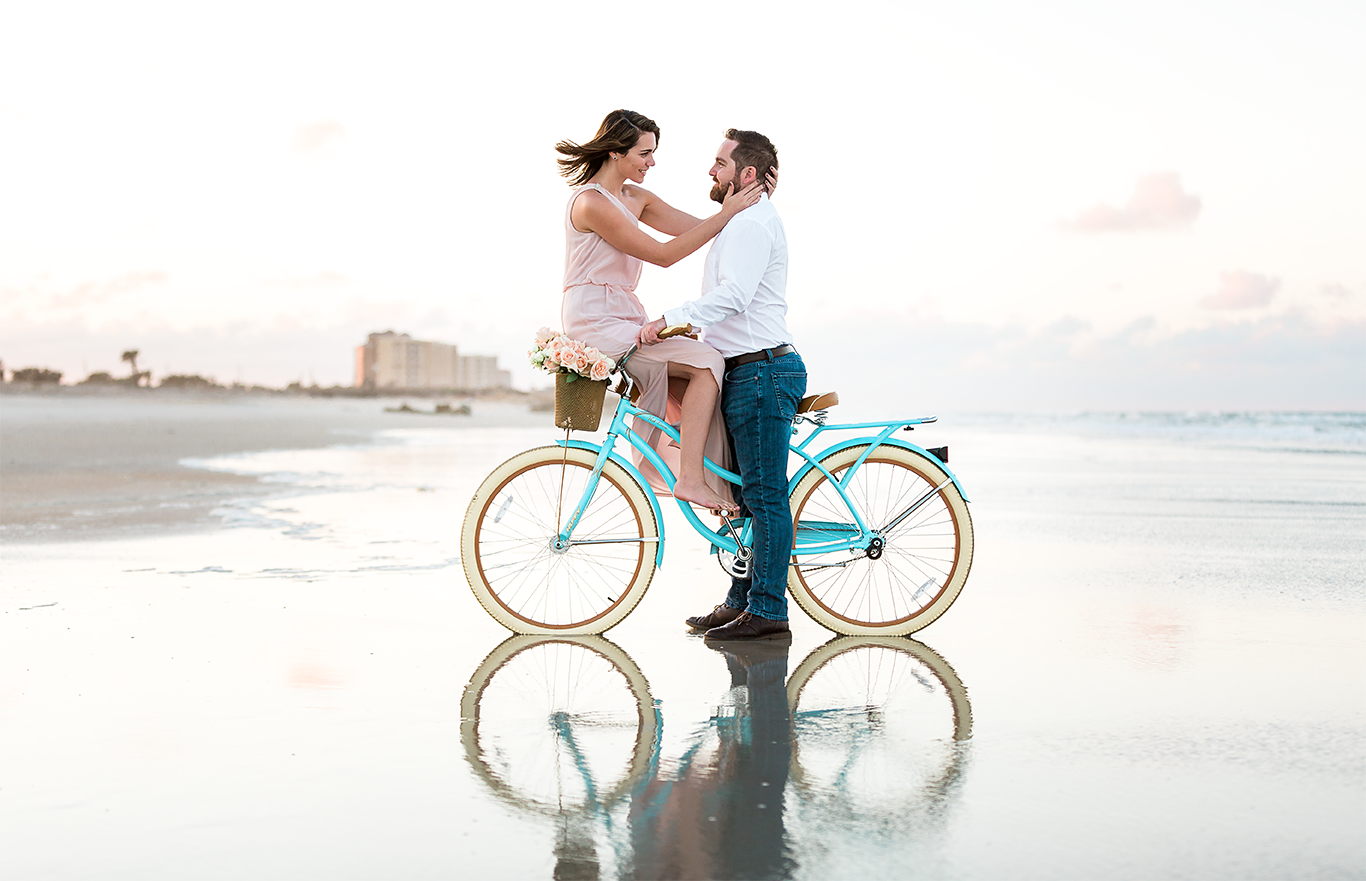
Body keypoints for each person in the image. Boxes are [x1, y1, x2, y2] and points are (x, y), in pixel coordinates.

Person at [638, 129, 804, 642]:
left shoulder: (752, 224)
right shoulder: (740, 223)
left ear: (746, 174)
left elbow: (734, 296)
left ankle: (769, 610)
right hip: (747, 368)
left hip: (763, 370)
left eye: (719, 163)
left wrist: (672, 317)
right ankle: (741, 600)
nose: (710, 171)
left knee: (764, 495)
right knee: (745, 495)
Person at [558, 109, 766, 513]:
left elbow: (704, 228)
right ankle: (690, 479)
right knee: (706, 362)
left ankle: (723, 485)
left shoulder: (636, 198)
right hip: (594, 318)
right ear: (616, 153)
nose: (651, 162)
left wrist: (755, 200)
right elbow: (665, 255)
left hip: (625, 311)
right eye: (644, 153)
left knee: (701, 364)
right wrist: (728, 213)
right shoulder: (589, 203)